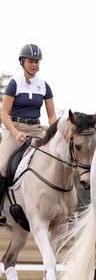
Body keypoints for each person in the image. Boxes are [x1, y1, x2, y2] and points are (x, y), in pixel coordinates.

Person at [0, 44, 57, 224]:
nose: (34, 65)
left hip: (37, 130)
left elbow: (52, 116)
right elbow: (4, 113)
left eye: (37, 62)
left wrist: (56, 135)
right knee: (2, 166)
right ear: (22, 62)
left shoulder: (44, 86)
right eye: (31, 61)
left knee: (53, 160)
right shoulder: (14, 84)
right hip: (15, 129)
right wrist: (16, 132)